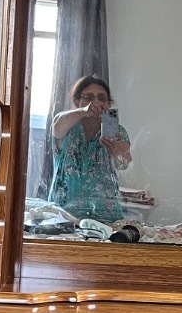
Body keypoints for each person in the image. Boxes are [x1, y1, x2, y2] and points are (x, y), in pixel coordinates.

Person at [48, 74, 131, 222]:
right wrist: (84, 111)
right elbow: (57, 128)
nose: (95, 102)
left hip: (105, 214)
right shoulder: (67, 124)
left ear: (109, 103)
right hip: (64, 213)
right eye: (88, 97)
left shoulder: (118, 132)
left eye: (101, 98)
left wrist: (117, 152)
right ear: (76, 101)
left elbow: (123, 164)